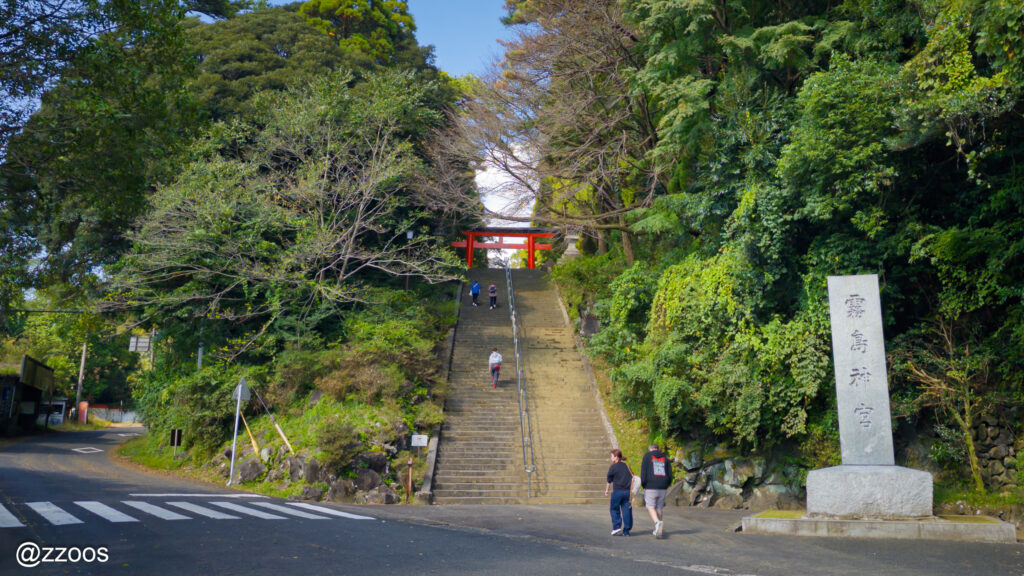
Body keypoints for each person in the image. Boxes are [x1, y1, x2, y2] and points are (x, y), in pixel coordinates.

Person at [641, 443, 673, 538]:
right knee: (659, 507)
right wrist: (667, 484)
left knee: (650, 506)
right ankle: (659, 529)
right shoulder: (665, 458)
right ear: (657, 449)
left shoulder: (647, 456)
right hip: (663, 486)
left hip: (651, 485)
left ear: (650, 449)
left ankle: (657, 523)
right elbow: (670, 474)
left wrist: (644, 484)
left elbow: (644, 472)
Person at [605, 449, 633, 536]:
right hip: (627, 492)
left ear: (616, 457)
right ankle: (626, 531)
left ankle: (617, 527)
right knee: (627, 511)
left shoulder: (613, 467)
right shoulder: (627, 466)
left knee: (614, 509)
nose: (611, 458)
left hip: (617, 492)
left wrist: (606, 490)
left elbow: (609, 480)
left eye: (612, 456)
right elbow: (632, 477)